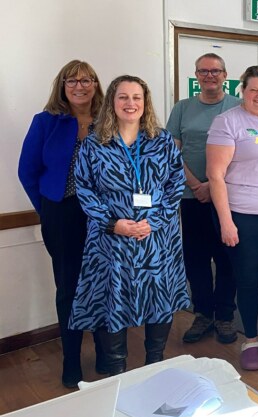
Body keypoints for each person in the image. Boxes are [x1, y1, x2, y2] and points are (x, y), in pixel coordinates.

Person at [69, 75, 189, 375]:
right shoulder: (94, 143)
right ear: (112, 101)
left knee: (158, 296)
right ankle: (117, 371)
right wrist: (112, 224)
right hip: (110, 239)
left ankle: (155, 365)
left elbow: (176, 183)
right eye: (123, 97)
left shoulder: (161, 140)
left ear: (145, 102)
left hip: (156, 237)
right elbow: (84, 188)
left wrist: (154, 221)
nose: (130, 103)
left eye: (137, 97)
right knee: (111, 297)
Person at [18, 60, 105, 388]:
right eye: (72, 81)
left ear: (95, 85)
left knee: (105, 284)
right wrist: (47, 209)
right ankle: (72, 360)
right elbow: (27, 171)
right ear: (62, 86)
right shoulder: (46, 122)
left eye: (86, 80)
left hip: (104, 217)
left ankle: (106, 352)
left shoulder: (108, 121)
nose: (79, 86)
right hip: (62, 214)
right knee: (69, 288)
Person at [207, 66, 258, 371]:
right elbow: (215, 175)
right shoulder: (227, 121)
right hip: (242, 214)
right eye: (253, 90)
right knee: (249, 279)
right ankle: (251, 340)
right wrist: (226, 222)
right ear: (243, 90)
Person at [167, 53, 240, 345]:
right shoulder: (182, 108)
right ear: (196, 75)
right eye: (204, 71)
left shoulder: (237, 106)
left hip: (228, 197)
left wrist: (214, 184)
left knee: (227, 258)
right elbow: (172, 152)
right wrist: (197, 185)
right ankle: (203, 314)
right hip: (191, 196)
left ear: (225, 75)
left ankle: (225, 316)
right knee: (195, 258)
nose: (210, 76)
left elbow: (244, 151)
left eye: (215, 71)